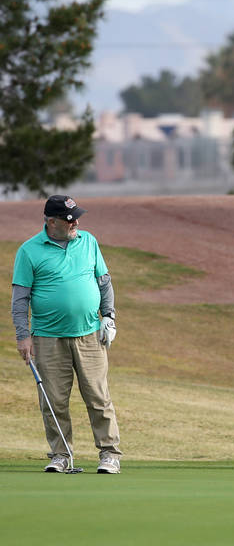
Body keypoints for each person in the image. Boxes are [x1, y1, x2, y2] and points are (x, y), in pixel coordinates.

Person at [11, 195, 121, 474]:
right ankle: (61, 454)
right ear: (51, 222)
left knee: (98, 397)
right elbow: (20, 299)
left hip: (89, 335)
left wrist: (108, 317)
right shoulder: (29, 251)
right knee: (54, 400)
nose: (76, 223)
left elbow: (104, 283)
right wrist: (23, 336)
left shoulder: (88, 242)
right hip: (47, 338)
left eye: (77, 217)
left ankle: (109, 454)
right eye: (70, 219)